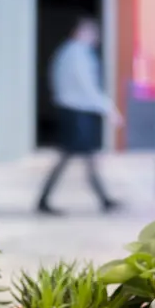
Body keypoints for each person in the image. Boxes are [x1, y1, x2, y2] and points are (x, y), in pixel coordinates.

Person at [36, 17, 122, 215]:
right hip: (76, 112)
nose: (95, 37)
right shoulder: (75, 54)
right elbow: (87, 87)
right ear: (80, 32)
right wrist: (108, 108)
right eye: (92, 32)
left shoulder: (72, 53)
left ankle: (104, 199)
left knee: (85, 157)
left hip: (76, 111)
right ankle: (44, 199)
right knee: (69, 156)